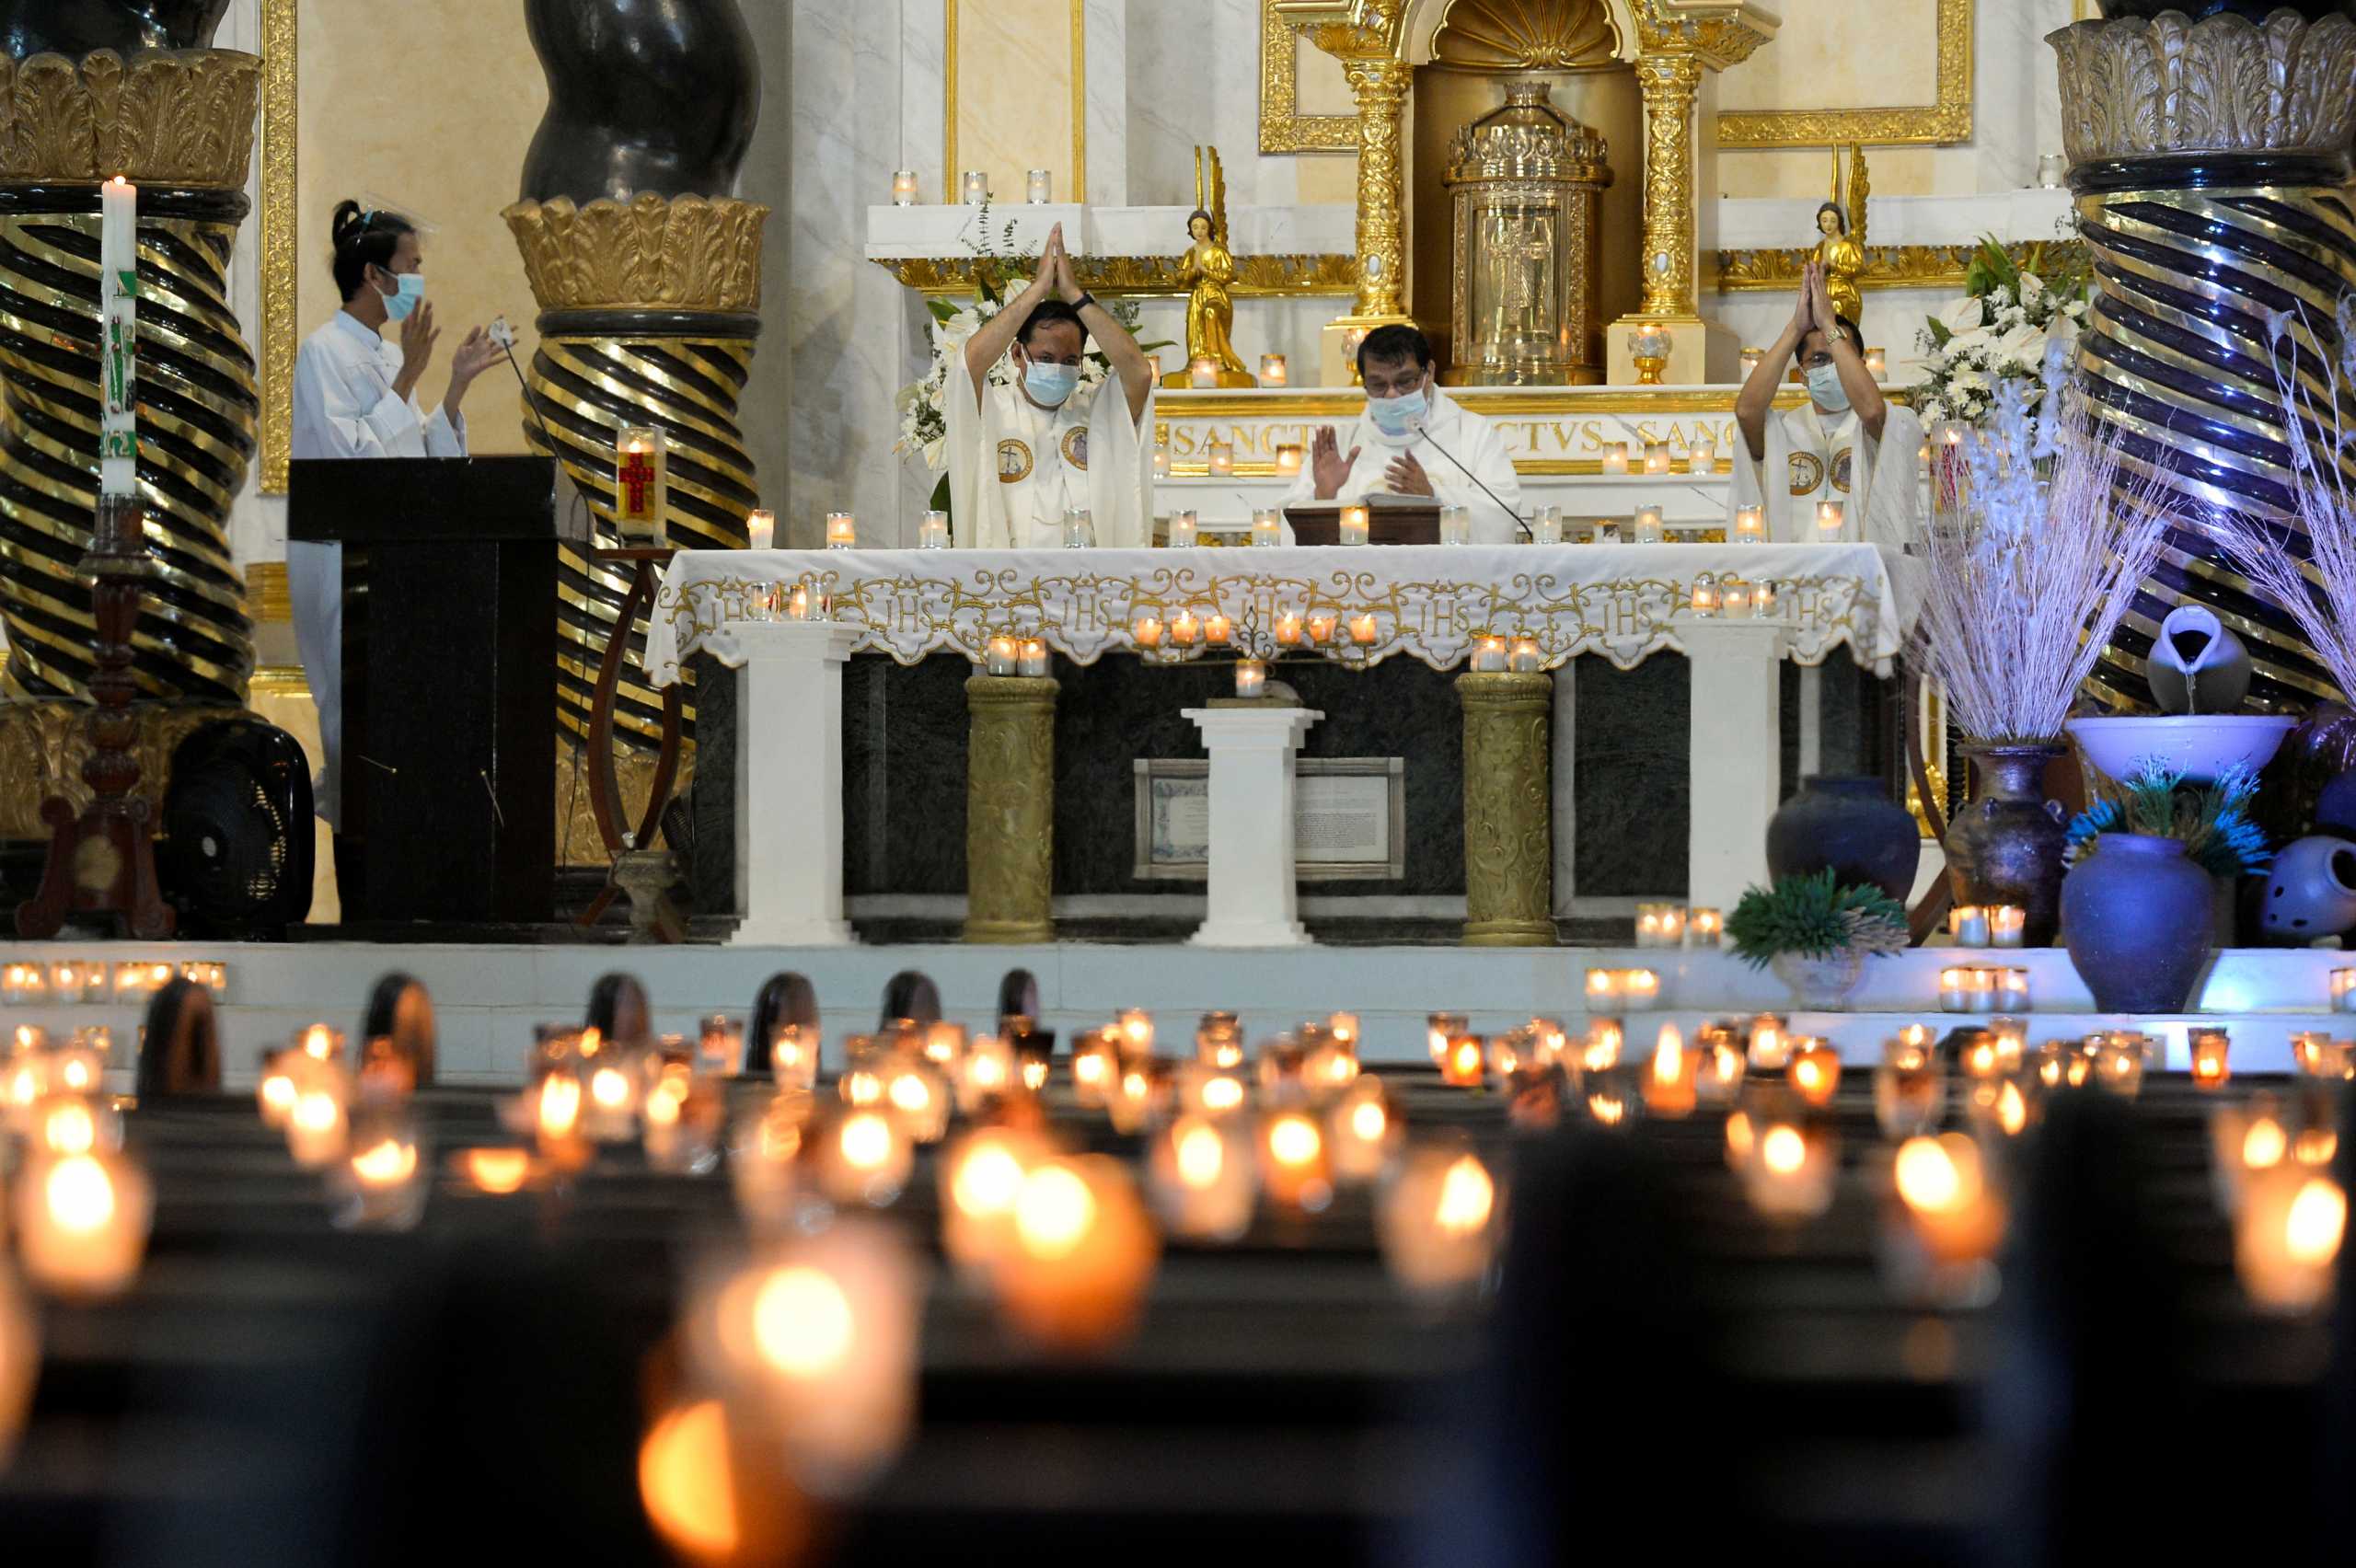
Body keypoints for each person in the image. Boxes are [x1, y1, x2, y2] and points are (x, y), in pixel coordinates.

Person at [287, 202, 502, 837]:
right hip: (340, 557)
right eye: (411, 266)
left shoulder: (380, 357)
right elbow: (351, 460)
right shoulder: (323, 353)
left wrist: (455, 387)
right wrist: (410, 374)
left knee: (397, 719)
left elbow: (416, 455)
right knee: (352, 716)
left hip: (396, 559)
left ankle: (394, 848)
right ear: (375, 275)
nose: (418, 279)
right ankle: (358, 855)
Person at [947, 223, 1156, 548]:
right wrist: (1038, 290)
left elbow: (1140, 374)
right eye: (1046, 357)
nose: (1058, 368)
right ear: (1017, 354)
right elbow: (967, 366)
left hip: (1088, 583)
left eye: (1070, 360)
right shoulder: (993, 409)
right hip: (1007, 580)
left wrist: (1074, 294)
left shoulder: (1096, 413)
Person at [1730, 259, 1921, 549]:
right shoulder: (1782, 429)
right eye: (1819, 359)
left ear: (1859, 364)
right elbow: (1746, 411)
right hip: (1795, 576)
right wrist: (1795, 329)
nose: (1831, 367)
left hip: (1866, 575)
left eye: (1840, 355)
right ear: (1803, 375)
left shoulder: (1895, 421)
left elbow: (1871, 411)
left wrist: (1830, 325)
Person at [1284, 324, 1523, 543]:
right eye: (1378, 384)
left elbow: (1502, 512)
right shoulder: (1342, 444)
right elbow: (1285, 528)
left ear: (1428, 372)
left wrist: (1433, 496)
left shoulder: (1473, 434)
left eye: (1405, 381)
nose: (1391, 395)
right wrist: (1324, 495)